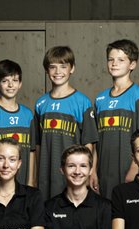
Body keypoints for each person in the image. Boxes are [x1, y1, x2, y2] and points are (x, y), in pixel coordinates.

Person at [35, 46, 99, 199]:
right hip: (47, 174)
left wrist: (89, 172)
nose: (58, 72)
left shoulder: (82, 102)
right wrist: (37, 174)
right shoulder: (41, 103)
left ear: (72, 68)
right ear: (46, 70)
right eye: (53, 67)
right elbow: (37, 145)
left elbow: (89, 144)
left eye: (63, 66)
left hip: (74, 175)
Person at [94, 39, 139, 199]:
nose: (114, 63)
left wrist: (135, 169)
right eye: (111, 59)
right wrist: (93, 171)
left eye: (121, 60)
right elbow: (95, 142)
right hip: (103, 173)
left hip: (128, 171)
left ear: (132, 64)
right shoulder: (100, 99)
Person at [0, 60, 37, 187]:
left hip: (23, 183)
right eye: (5, 81)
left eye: (15, 80)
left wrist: (31, 181)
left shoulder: (27, 114)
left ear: (20, 83)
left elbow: (32, 151)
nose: (10, 85)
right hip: (0, 184)